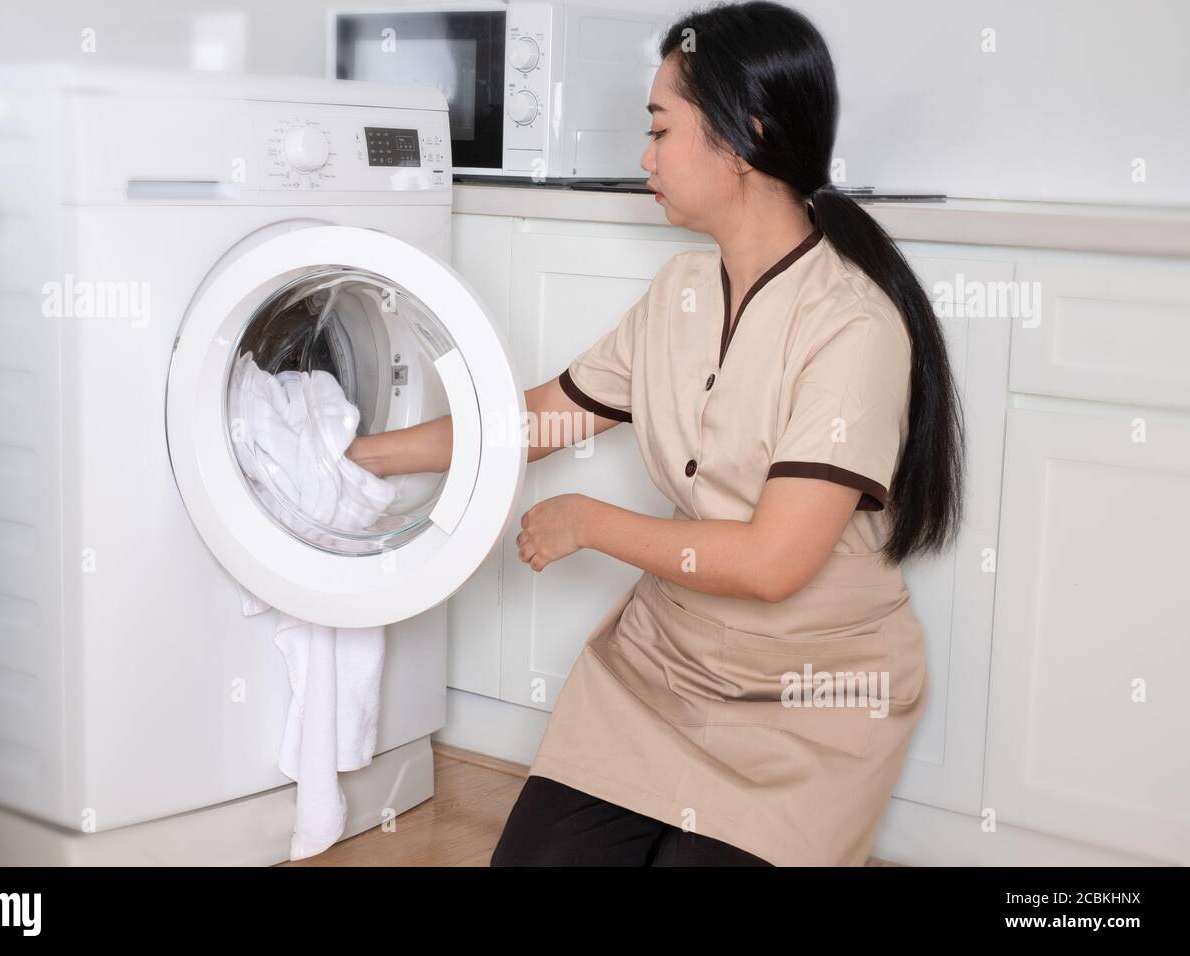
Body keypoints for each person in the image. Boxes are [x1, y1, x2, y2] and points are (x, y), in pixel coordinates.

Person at [347, 0, 964, 867]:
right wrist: (355, 457)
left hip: (812, 700)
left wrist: (589, 524)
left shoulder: (852, 325)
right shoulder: (680, 290)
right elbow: (530, 420)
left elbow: (772, 562)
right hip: (662, 674)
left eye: (661, 127)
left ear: (742, 134)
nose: (645, 157)